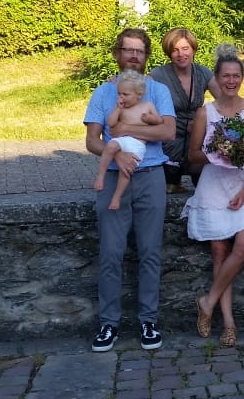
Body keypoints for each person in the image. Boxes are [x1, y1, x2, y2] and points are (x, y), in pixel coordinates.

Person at [84, 28, 176, 353]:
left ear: (147, 56)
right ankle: (108, 324)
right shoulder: (103, 93)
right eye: (128, 50)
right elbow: (92, 140)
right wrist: (118, 153)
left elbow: (168, 131)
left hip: (150, 175)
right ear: (117, 53)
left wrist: (124, 128)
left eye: (140, 51)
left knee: (150, 251)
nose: (134, 56)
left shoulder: (158, 91)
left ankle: (148, 320)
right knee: (111, 252)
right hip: (113, 176)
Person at [184, 45, 244, 348]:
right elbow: (193, 155)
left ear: (242, 78)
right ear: (218, 78)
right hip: (213, 186)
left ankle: (207, 301)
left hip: (243, 186)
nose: (231, 81)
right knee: (219, 253)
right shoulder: (205, 113)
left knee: (243, 245)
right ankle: (228, 323)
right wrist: (219, 152)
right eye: (226, 76)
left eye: (236, 76)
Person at [149, 28, 220, 194]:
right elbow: (138, 92)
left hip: (196, 137)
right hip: (169, 139)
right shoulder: (158, 74)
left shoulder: (203, 72)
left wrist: (203, 123)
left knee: (207, 185)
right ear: (169, 53)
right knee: (168, 184)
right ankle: (171, 179)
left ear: (193, 49)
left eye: (185, 48)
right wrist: (119, 81)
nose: (181, 54)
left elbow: (224, 101)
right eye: (175, 50)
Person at [93, 70, 165, 211]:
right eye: (119, 94)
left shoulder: (147, 106)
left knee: (126, 170)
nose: (121, 97)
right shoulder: (122, 109)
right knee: (110, 146)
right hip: (123, 139)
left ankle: (117, 197)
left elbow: (159, 120)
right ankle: (101, 176)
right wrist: (117, 109)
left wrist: (151, 119)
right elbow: (111, 123)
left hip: (138, 144)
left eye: (125, 94)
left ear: (139, 94)